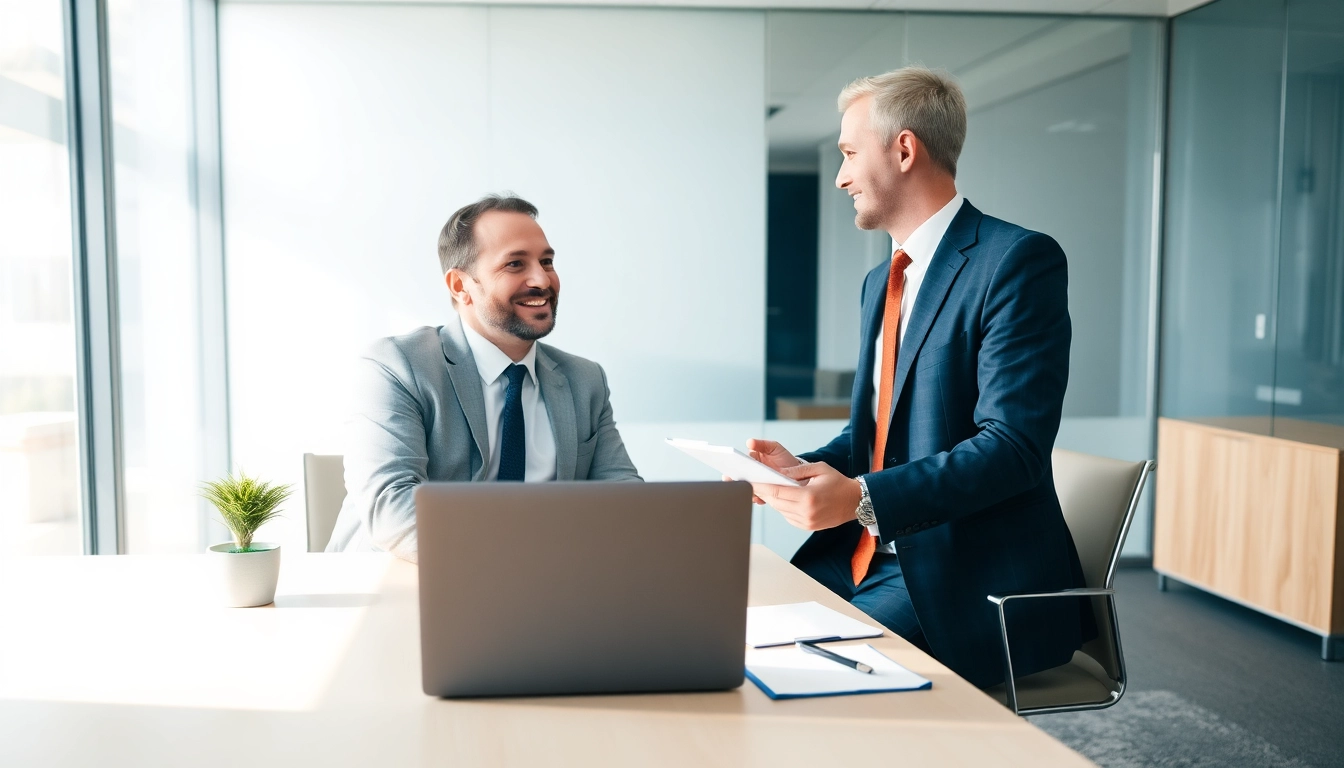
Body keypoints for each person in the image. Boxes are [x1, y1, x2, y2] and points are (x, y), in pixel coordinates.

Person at [748, 67, 1091, 689]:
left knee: (794, 677)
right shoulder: (880, 282)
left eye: (850, 153)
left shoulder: (1016, 261)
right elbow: (871, 439)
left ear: (904, 149)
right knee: (737, 634)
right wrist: (793, 469)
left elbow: (1012, 448)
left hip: (964, 578)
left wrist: (861, 498)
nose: (841, 175)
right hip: (865, 556)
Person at [326, 194, 641, 562]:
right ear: (460, 286)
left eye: (547, 261)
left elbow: (625, 501)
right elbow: (393, 510)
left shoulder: (584, 380)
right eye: (515, 264)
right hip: (395, 587)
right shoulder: (397, 366)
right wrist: (529, 558)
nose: (542, 279)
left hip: (542, 591)